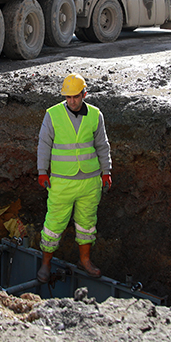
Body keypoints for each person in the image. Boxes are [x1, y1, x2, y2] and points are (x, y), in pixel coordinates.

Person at [36, 74, 112, 282]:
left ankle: (85, 260)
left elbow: (102, 145)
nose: (72, 101)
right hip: (62, 182)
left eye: (76, 96)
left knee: (87, 223)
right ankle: (45, 263)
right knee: (54, 224)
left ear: (84, 94)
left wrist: (106, 171)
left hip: (90, 181)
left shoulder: (95, 115)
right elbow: (44, 145)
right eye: (68, 97)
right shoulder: (53, 114)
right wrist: (42, 171)